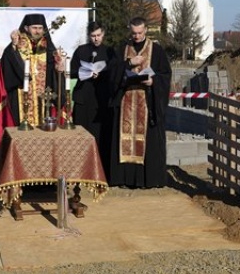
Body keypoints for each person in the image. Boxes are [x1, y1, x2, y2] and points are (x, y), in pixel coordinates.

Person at [0, 14, 65, 178]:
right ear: (26, 28)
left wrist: (58, 68)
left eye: (40, 28)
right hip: (19, 103)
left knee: (44, 141)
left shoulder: (48, 47)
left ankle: (43, 178)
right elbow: (6, 69)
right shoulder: (16, 45)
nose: (38, 31)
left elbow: (55, 75)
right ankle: (19, 176)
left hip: (44, 105)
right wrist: (13, 46)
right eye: (34, 28)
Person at [108, 17, 172, 188]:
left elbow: (166, 75)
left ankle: (146, 180)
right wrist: (128, 63)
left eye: (140, 33)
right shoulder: (122, 49)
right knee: (125, 139)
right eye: (134, 33)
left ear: (145, 30)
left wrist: (154, 81)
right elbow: (112, 73)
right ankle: (125, 179)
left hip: (147, 101)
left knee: (147, 142)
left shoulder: (156, 50)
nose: (136, 36)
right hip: (126, 102)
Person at [70, 21, 116, 172]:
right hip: (83, 97)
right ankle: (81, 168)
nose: (96, 39)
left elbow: (114, 72)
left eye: (98, 35)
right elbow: (72, 71)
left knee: (100, 134)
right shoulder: (81, 51)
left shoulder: (110, 51)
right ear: (88, 36)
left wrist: (102, 73)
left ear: (103, 34)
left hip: (101, 99)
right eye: (93, 36)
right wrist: (85, 72)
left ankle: (100, 169)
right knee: (81, 133)